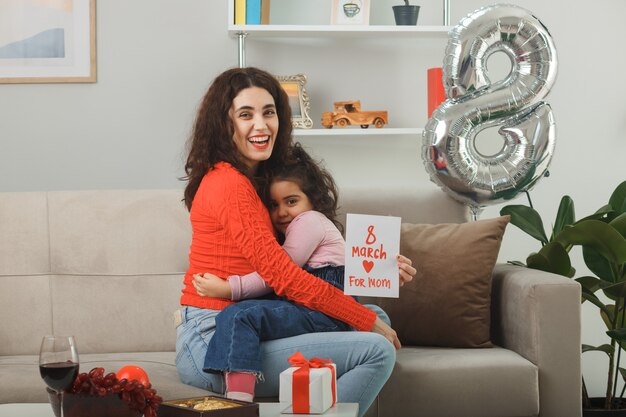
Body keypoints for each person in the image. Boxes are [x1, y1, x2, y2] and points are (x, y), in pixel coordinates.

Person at [175, 66, 415, 417]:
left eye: (268, 112)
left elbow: (316, 256)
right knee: (377, 347)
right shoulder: (230, 185)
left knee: (377, 316)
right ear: (224, 125)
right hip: (216, 341)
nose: (261, 125)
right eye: (246, 115)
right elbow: (285, 276)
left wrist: (383, 266)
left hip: (252, 320)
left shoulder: (260, 180)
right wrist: (362, 320)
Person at [193, 143, 393, 402]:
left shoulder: (307, 221)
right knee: (376, 315)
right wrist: (386, 270)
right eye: (273, 205)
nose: (282, 212)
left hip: (320, 309)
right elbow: (355, 269)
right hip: (324, 309)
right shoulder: (314, 225)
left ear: (313, 199)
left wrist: (229, 288)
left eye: (291, 201)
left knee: (238, 315)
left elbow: (277, 273)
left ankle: (238, 401)